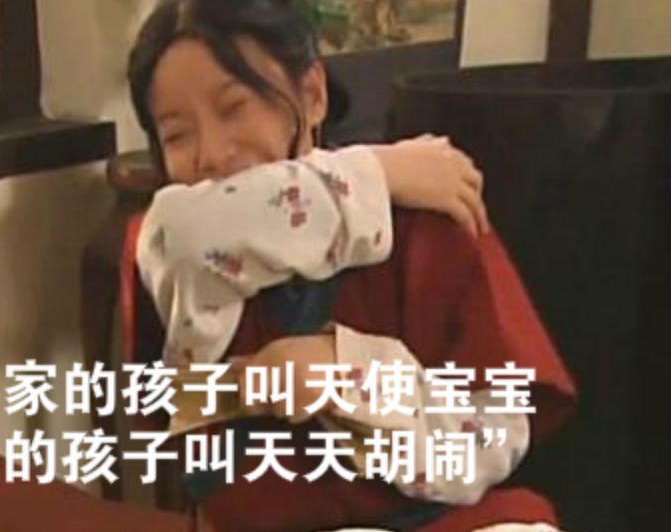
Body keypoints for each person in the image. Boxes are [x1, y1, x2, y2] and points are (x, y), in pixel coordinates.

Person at [120, 1, 577, 531]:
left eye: (235, 108)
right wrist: (377, 173)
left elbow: (497, 434)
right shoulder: (171, 254)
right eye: (177, 134)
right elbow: (188, 239)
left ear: (312, 95)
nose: (212, 155)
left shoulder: (428, 220)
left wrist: (350, 374)